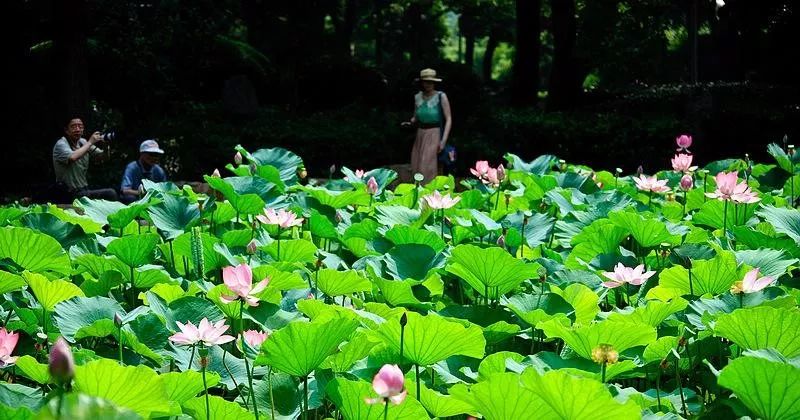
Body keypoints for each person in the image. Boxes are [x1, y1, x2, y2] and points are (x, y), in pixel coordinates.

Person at [401, 68, 453, 182]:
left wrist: (443, 141)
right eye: (426, 81)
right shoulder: (418, 97)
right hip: (420, 134)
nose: (428, 84)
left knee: (427, 166)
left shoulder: (440, 96)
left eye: (431, 82)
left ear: (434, 83)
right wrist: (410, 123)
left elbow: (448, 119)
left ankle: (428, 195)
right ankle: (417, 195)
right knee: (416, 165)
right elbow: (416, 116)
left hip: (434, 134)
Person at [52, 117, 118, 201]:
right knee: (110, 193)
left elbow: (103, 157)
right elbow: (72, 157)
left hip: (84, 190)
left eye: (80, 126)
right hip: (68, 193)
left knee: (109, 192)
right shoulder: (61, 144)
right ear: (66, 130)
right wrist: (90, 142)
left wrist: (106, 145)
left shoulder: (82, 142)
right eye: (73, 126)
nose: (77, 129)